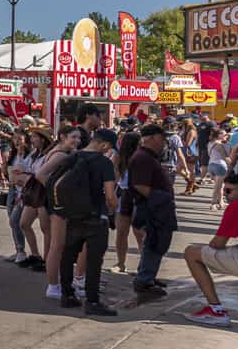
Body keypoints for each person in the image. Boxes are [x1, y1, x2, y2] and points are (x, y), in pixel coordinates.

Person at [57, 128, 118, 316]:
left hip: (73, 216)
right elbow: (109, 195)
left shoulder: (73, 157)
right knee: (93, 260)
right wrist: (113, 209)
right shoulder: (104, 163)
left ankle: (67, 295)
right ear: (105, 144)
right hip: (96, 217)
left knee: (68, 256)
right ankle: (92, 301)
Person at [183, 172, 238, 327]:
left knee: (192, 252)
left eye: (229, 191)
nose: (225, 195)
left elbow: (217, 244)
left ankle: (216, 310)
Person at [129, 123, 179, 300]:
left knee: (157, 243)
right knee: (155, 243)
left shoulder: (148, 156)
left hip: (156, 207)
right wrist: (161, 198)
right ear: (150, 138)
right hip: (153, 208)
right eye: (161, 138)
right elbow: (140, 185)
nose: (164, 142)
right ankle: (144, 280)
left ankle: (147, 276)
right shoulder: (143, 157)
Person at [35, 125, 83, 299]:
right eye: (73, 137)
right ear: (63, 137)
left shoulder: (60, 151)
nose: (77, 141)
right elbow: (40, 174)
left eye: (78, 138)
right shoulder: (61, 154)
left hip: (55, 204)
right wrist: (59, 191)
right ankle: (53, 286)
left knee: (59, 246)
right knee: (57, 246)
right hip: (58, 206)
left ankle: (58, 284)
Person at [15, 126, 52, 271]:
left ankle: (48, 259)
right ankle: (36, 255)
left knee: (45, 228)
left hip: (42, 192)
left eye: (34, 137)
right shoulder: (34, 154)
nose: (32, 140)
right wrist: (19, 155)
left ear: (42, 139)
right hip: (32, 192)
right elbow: (23, 168)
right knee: (24, 223)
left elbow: (42, 173)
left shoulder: (48, 154)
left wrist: (27, 175)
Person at [112, 129, 145, 274]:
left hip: (132, 195)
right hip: (127, 194)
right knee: (124, 232)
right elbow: (114, 179)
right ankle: (121, 263)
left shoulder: (143, 157)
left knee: (136, 232)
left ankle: (140, 264)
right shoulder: (119, 157)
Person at [4, 130, 29, 263]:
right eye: (15, 139)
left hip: (24, 191)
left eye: (20, 139)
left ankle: (21, 251)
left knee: (16, 221)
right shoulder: (12, 154)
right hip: (13, 189)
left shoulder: (30, 155)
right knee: (13, 221)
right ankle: (18, 249)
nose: (17, 142)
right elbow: (8, 171)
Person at [209, 129, 231, 211]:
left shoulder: (210, 143)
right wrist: (232, 164)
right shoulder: (219, 145)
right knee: (217, 187)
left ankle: (221, 202)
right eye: (224, 135)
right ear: (218, 135)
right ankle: (213, 203)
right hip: (220, 166)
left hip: (211, 165)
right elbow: (226, 158)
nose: (226, 137)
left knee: (220, 186)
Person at [196, 112, 214, 184]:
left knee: (205, 162)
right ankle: (212, 178)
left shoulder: (211, 123)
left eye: (202, 115)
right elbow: (199, 134)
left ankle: (202, 179)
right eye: (200, 116)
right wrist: (197, 142)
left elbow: (215, 133)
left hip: (208, 146)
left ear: (206, 116)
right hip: (201, 146)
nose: (200, 117)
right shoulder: (200, 124)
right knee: (203, 162)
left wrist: (211, 143)